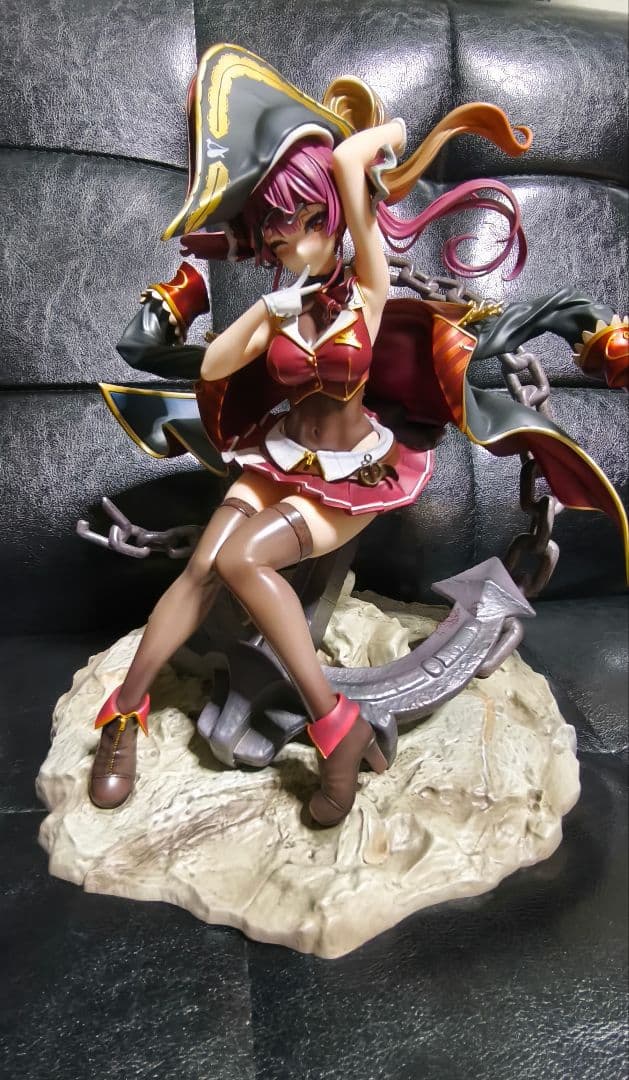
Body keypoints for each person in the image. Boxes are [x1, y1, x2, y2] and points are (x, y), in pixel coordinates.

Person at [89, 44, 628, 825]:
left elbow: (353, 160)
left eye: (307, 224)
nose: (292, 244)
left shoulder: (365, 297)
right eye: (277, 236)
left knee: (238, 559)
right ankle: (123, 714)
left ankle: (331, 726)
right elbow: (210, 365)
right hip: (276, 457)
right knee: (203, 567)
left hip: (348, 476)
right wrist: (261, 310)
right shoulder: (276, 311)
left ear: (332, 220)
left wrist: (379, 142)